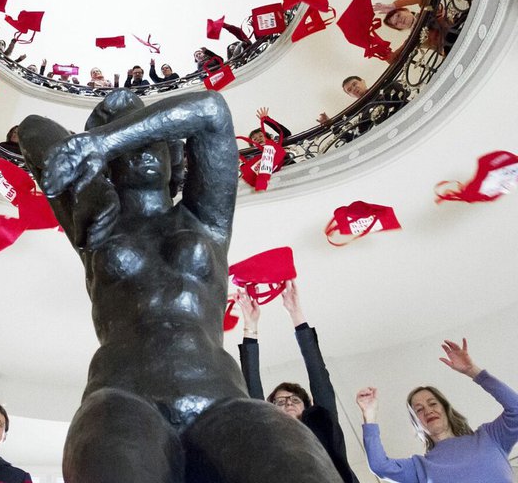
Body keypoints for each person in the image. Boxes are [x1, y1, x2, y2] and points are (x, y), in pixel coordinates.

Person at [18, 90, 339, 483]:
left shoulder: (206, 217)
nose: (143, 152)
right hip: (123, 397)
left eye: (149, 139)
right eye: (129, 148)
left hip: (223, 400)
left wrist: (104, 141)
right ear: (108, 168)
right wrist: (90, 175)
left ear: (174, 155)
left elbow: (211, 110)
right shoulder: (95, 228)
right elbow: (33, 128)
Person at [237, 282, 359, 483]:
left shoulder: (323, 425)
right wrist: (250, 325)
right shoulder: (267, 435)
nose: (288, 404)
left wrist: (296, 314)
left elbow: (318, 374)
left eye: (294, 399)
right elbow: (251, 392)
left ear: (308, 406)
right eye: (280, 402)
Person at [356, 338, 518, 483]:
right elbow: (379, 466)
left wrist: (473, 371)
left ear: (445, 408)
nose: (427, 411)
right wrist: (369, 416)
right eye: (419, 410)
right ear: (416, 423)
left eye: (432, 404)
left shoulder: (490, 437)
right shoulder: (419, 467)